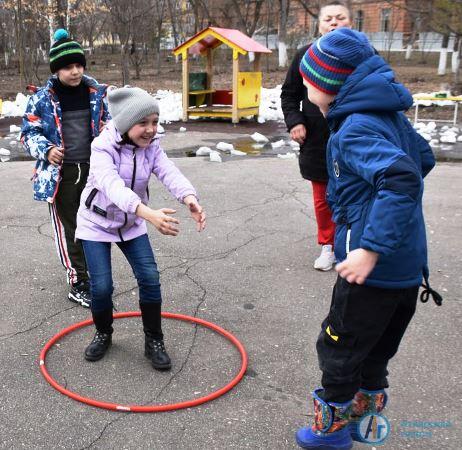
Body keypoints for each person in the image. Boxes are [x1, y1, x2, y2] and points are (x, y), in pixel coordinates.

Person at [294, 28, 442, 449]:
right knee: (377, 348)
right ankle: (367, 413)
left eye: (307, 81)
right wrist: (385, 209)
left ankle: (332, 433)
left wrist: (369, 244)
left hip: (370, 272)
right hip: (406, 269)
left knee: (337, 347)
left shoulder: (355, 129)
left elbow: (400, 176)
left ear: (327, 84)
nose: (304, 89)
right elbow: (422, 158)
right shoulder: (386, 115)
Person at [75, 86, 206, 370]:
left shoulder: (152, 145)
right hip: (96, 223)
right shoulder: (101, 148)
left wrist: (189, 198)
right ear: (124, 123)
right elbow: (114, 188)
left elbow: (168, 171)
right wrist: (150, 215)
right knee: (102, 288)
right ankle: (104, 333)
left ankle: (154, 340)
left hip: (131, 223)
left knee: (150, 278)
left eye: (155, 122)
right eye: (143, 123)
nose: (151, 130)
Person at [21, 29, 109, 308]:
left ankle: (96, 275)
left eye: (79, 65)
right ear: (57, 69)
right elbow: (28, 133)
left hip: (94, 170)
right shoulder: (42, 99)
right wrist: (47, 149)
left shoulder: (95, 93)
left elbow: (110, 125)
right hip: (62, 175)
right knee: (70, 228)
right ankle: (77, 280)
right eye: (68, 67)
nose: (75, 71)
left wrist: (108, 133)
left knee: (94, 224)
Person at [281, 1, 351, 271]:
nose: (334, 23)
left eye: (340, 18)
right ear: (319, 24)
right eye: (328, 19)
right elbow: (289, 95)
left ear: (350, 22)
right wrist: (295, 122)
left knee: (354, 192)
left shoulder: (364, 54)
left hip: (354, 135)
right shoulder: (306, 54)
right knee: (323, 196)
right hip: (317, 139)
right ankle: (329, 245)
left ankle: (352, 245)